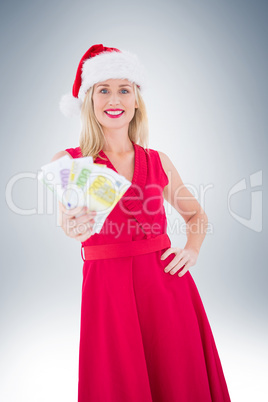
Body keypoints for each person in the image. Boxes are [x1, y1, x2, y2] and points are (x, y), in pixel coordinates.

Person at [51, 44, 231, 402]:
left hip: (166, 289)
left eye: (124, 89)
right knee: (117, 380)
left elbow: (196, 215)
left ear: (136, 101)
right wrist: (73, 227)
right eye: (103, 89)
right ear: (89, 100)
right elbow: (67, 222)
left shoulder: (157, 160)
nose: (113, 98)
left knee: (177, 378)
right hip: (107, 292)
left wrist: (192, 250)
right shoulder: (71, 163)